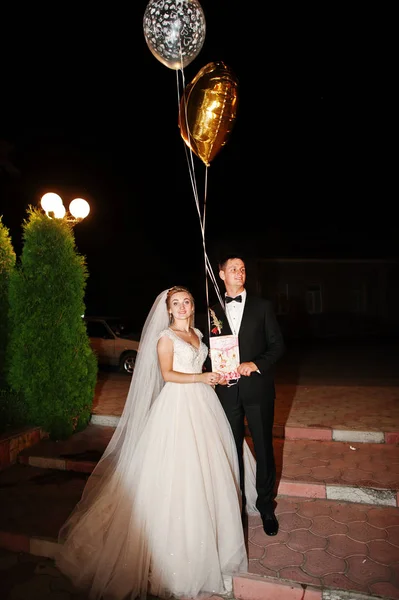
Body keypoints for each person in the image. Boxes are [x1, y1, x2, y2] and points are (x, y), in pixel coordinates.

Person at [56, 286, 256, 600]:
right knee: (179, 473)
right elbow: (167, 374)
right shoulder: (165, 337)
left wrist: (213, 375)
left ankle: (213, 542)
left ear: (192, 306)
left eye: (186, 301)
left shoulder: (199, 335)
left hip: (204, 403)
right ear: (168, 309)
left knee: (208, 470)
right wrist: (200, 378)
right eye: (176, 302)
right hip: (177, 405)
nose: (182, 306)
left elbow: (198, 367)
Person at [208, 256, 285, 536]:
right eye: (233, 269)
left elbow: (277, 346)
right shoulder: (212, 312)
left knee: (264, 448)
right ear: (221, 274)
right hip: (227, 394)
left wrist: (257, 364)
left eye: (242, 269)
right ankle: (235, 506)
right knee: (231, 450)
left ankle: (265, 506)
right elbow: (209, 352)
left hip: (259, 391)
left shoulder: (262, 307)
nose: (239, 273)